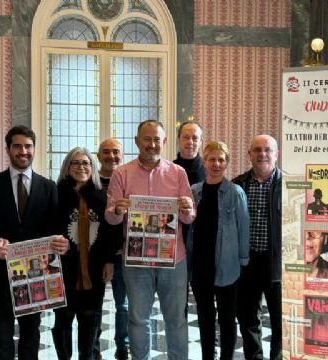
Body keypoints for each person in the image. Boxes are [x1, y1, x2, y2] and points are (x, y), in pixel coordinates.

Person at [106, 120, 196, 360]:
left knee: (176, 319)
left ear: (164, 142)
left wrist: (187, 208)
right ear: (137, 141)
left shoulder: (178, 173)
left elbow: (189, 218)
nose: (152, 144)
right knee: (138, 318)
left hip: (173, 259)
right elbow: (111, 218)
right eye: (147, 139)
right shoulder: (121, 173)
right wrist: (117, 211)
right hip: (136, 260)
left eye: (157, 139)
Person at [0, 126, 68, 360]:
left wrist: (62, 242)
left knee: (31, 335)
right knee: (1, 334)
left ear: (34, 148)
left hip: (36, 275)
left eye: (28, 146)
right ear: (8, 149)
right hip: (1, 274)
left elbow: (56, 227)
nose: (23, 151)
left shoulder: (48, 186)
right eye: (17, 146)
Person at [52, 147, 121, 360]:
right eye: (75, 163)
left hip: (94, 267)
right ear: (67, 167)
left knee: (90, 316)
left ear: (92, 167)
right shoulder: (55, 195)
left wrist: (110, 260)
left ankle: (87, 356)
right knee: (64, 316)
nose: (81, 167)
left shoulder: (102, 197)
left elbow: (111, 232)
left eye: (86, 163)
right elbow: (47, 226)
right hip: (62, 267)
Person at [187, 141, 249, 360]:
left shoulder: (236, 193)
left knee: (227, 317)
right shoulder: (194, 192)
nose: (216, 164)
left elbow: (244, 229)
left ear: (227, 163)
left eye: (221, 159)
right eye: (211, 159)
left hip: (227, 264)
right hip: (200, 265)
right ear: (204, 162)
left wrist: (242, 261)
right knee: (204, 316)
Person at [232, 134, 281, 360]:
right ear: (249, 154)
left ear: (276, 154)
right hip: (246, 262)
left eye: (268, 150)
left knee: (280, 320)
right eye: (257, 150)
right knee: (247, 317)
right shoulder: (237, 185)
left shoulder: (288, 185)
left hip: (277, 263)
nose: (263, 154)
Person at [93, 138, 129, 360]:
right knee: (95, 305)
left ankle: (122, 347)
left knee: (123, 305)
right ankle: (93, 346)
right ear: (98, 156)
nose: (111, 156)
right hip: (98, 255)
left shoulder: (127, 181)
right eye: (106, 152)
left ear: (122, 155)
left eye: (115, 152)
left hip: (124, 253)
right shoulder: (91, 182)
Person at [173, 121, 206, 186]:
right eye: (186, 137)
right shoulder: (169, 169)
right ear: (178, 139)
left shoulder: (209, 169)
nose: (190, 142)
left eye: (195, 138)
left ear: (200, 142)